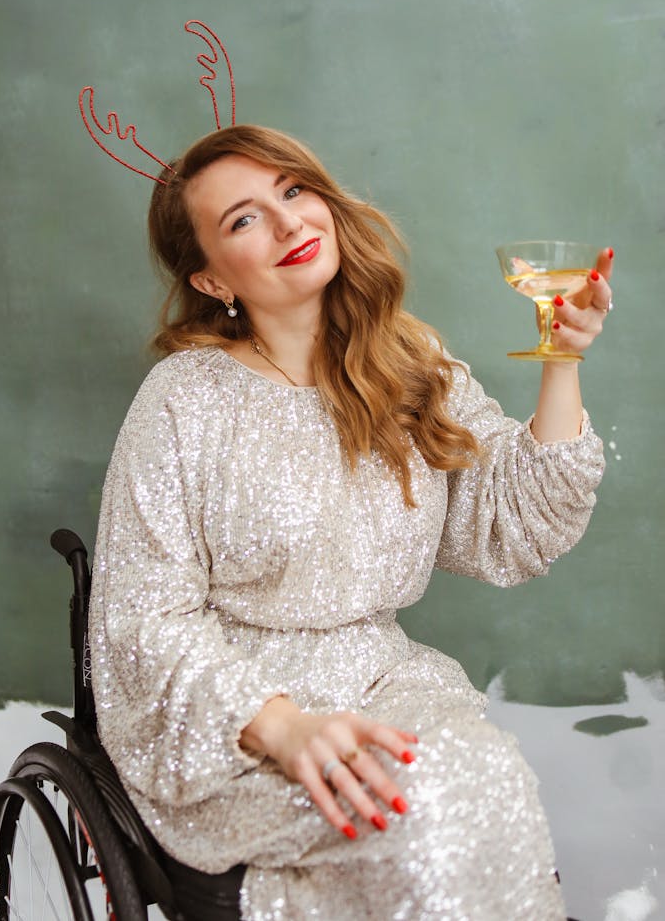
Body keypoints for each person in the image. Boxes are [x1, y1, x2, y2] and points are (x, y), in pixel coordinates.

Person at [89, 123, 610, 920]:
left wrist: (563, 359)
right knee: (412, 822)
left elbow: (507, 514)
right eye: (244, 218)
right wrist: (282, 727)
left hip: (386, 685)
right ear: (210, 278)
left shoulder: (407, 360)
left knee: (487, 784)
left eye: (293, 191)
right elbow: (143, 618)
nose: (291, 222)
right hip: (237, 720)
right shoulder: (185, 400)